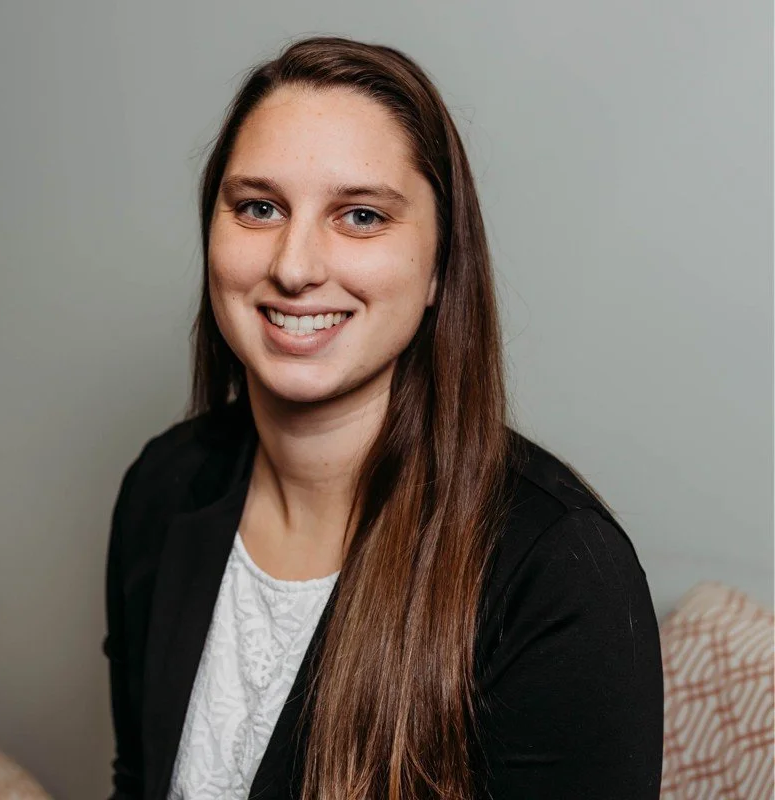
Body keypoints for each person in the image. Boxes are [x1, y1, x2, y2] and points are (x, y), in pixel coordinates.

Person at [103, 35, 664, 800]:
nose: (295, 266)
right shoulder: (163, 487)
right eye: (259, 207)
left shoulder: (559, 572)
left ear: (439, 265)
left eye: (360, 216)